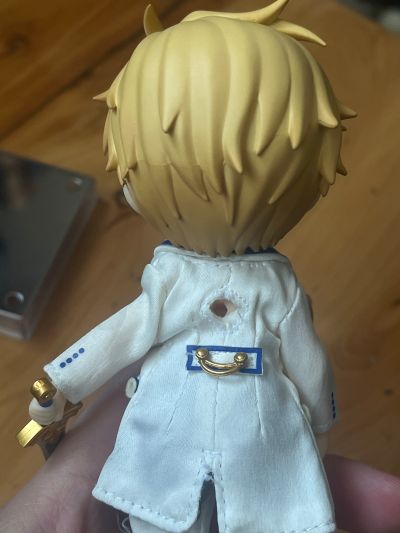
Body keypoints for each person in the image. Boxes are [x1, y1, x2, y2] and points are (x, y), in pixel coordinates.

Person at [18, 1, 370, 531]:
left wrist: (59, 386)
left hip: (246, 432)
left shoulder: (272, 287)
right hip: (183, 428)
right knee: (165, 509)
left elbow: (307, 362)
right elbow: (125, 334)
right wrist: (63, 382)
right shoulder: (188, 280)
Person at [2, 368, 400, 532]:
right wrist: (62, 385)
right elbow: (114, 341)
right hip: (169, 440)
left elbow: (311, 371)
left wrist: (318, 426)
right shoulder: (170, 281)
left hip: (249, 432)